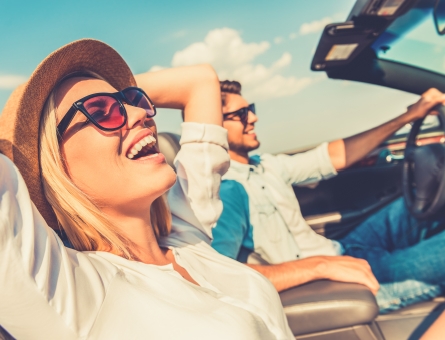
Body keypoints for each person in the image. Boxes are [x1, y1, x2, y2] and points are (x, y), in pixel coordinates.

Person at [0, 40, 293, 339]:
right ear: (55, 166)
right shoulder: (73, 291)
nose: (142, 115)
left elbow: (201, 81)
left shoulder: (186, 234)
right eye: (101, 111)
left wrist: (117, 93)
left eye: (134, 100)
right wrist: (28, 120)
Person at [212, 80, 445, 313]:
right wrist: (319, 267)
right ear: (214, 126)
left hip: (341, 250)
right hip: (330, 282)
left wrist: (408, 117)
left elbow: (334, 155)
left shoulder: (266, 165)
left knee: (411, 203)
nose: (253, 118)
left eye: (250, 109)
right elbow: (222, 276)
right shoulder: (225, 190)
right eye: (240, 114)